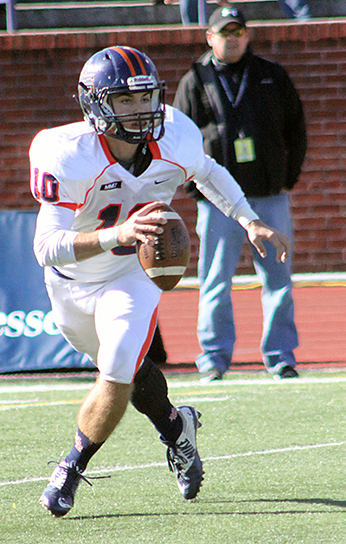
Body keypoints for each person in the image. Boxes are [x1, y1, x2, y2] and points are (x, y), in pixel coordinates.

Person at [29, 45, 290, 517]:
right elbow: (46, 248)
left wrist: (248, 219)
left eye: (145, 97)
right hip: (71, 281)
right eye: (124, 100)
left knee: (117, 367)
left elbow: (208, 172)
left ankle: (70, 467)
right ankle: (176, 427)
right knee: (128, 372)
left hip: (135, 271)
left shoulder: (175, 135)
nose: (139, 110)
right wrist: (119, 233)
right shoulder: (66, 152)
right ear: (94, 104)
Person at [173, 6, 307, 382]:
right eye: (224, 32)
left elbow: (296, 129)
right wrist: (195, 188)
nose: (231, 39)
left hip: (268, 196)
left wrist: (287, 178)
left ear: (247, 35)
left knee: (278, 280)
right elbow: (180, 139)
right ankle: (213, 358)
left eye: (238, 31)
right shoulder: (195, 80)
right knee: (215, 281)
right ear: (209, 37)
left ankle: (280, 356)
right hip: (218, 204)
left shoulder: (271, 75)